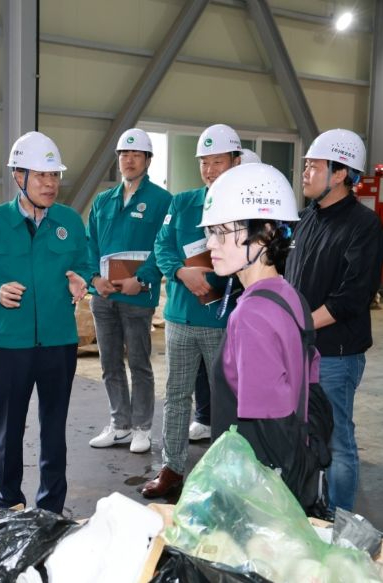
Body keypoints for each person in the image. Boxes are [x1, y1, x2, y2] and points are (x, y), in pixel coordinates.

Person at [0, 131, 92, 514]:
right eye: (41, 176)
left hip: (58, 344)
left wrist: (80, 279)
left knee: (54, 431)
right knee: (9, 430)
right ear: (18, 176)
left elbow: (84, 264)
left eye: (54, 176)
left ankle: (51, 508)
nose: (50, 184)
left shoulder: (69, 220)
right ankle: (9, 503)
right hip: (8, 345)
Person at [198, 161, 323, 504]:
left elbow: (266, 426)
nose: (211, 244)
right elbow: (309, 381)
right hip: (294, 468)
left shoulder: (251, 314)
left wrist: (251, 502)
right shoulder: (288, 295)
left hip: (258, 486)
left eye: (223, 232)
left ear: (265, 233)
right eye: (211, 232)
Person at [284, 128, 383, 512]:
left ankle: (341, 521)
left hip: (335, 356)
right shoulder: (306, 219)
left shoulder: (364, 226)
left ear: (341, 173)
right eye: (306, 165)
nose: (305, 173)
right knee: (302, 435)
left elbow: (352, 297)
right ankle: (312, 510)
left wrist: (299, 324)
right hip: (300, 347)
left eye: (314, 166)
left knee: (338, 441)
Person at [142, 124, 244, 498]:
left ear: (236, 162)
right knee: (176, 395)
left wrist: (215, 280)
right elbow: (162, 245)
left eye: (218, 162)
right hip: (181, 319)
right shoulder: (182, 203)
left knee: (226, 400)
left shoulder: (245, 208)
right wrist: (182, 272)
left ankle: (225, 472)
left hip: (223, 322)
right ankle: (172, 468)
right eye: (205, 163)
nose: (211, 170)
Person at [86, 128, 171, 454]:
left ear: (148, 160)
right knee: (109, 363)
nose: (129, 160)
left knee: (138, 362)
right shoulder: (103, 201)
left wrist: (144, 279)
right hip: (104, 296)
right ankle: (119, 424)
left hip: (137, 296)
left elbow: (165, 246)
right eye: (124, 154)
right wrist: (94, 278)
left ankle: (142, 427)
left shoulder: (162, 201)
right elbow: (89, 243)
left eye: (136, 154)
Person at [188, 147, 264, 444]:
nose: (211, 245)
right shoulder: (254, 305)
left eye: (222, 233)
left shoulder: (262, 311)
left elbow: (270, 409)